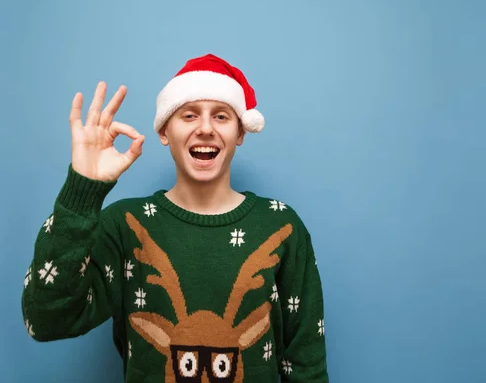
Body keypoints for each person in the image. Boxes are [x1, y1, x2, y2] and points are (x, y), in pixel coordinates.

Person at [21, 53, 329, 382]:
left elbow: (305, 363)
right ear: (165, 130)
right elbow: (46, 320)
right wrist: (82, 190)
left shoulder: (280, 227)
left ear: (241, 132)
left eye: (222, 116)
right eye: (189, 115)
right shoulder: (126, 226)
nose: (206, 128)